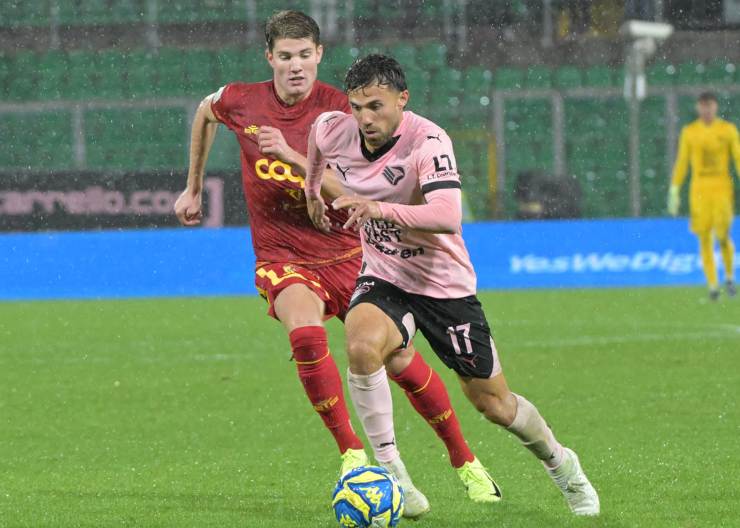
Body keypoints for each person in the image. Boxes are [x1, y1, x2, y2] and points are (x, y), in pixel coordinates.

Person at [173, 11, 496, 518]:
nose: (296, 66)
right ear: (270, 58)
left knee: (400, 362)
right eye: (286, 56)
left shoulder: (343, 111)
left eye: (305, 55)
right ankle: (354, 456)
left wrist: (293, 157)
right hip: (282, 254)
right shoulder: (241, 100)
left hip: (350, 253)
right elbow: (204, 111)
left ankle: (465, 460)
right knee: (304, 332)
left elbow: (353, 189)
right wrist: (193, 186)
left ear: (319, 55)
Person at [305, 54, 600, 516]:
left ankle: (562, 465)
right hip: (385, 275)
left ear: (402, 99)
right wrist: (311, 192)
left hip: (444, 287)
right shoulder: (333, 128)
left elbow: (447, 215)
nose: (365, 118)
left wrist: (378, 208)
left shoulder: (428, 141)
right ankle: (393, 474)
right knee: (361, 346)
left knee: (495, 405)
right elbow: (316, 144)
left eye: (376, 106)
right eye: (357, 107)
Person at [668, 91, 740, 300]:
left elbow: (738, 157)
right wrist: (675, 188)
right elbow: (682, 161)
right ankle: (713, 285)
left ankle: (729, 276)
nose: (706, 110)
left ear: (715, 107)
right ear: (698, 108)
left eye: (709, 105)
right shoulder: (690, 132)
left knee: (723, 235)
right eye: (703, 106)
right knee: (704, 237)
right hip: (699, 189)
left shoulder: (727, 130)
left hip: (721, 187)